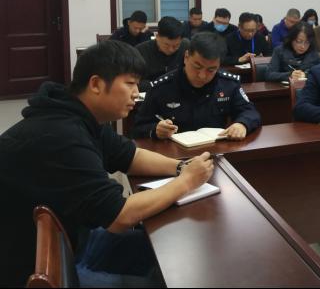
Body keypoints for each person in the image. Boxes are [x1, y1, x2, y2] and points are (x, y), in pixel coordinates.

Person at [0, 40, 214, 287]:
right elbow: (119, 216)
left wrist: (180, 168)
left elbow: (130, 156)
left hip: (74, 238)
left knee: (169, 247)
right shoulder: (61, 135)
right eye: (130, 83)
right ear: (96, 84)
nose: (136, 93)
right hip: (41, 266)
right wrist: (186, 182)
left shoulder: (79, 115)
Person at [133, 32, 261, 140]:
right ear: (186, 57)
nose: (202, 76)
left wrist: (242, 124)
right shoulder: (162, 86)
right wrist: (155, 130)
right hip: (174, 154)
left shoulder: (228, 84)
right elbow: (138, 126)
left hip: (215, 150)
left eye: (211, 70)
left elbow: (250, 112)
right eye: (197, 67)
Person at [135, 16, 189, 91]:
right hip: (149, 92)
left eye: (176, 46)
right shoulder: (140, 51)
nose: (171, 49)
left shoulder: (186, 47)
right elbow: (134, 81)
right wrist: (157, 85)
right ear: (157, 36)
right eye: (166, 45)